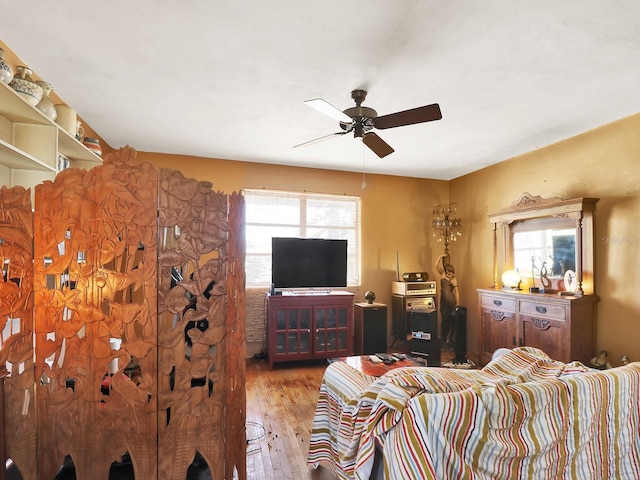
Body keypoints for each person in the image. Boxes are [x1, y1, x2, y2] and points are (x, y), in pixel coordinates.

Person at [435, 253, 459, 350]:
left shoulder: (454, 280)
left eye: (452, 272)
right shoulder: (443, 274)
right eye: (450, 272)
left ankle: (449, 339)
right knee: (444, 320)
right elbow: (436, 265)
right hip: (443, 302)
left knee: (451, 321)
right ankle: (443, 338)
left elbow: (457, 292)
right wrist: (440, 256)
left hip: (451, 302)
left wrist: (458, 304)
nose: (451, 274)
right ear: (447, 271)